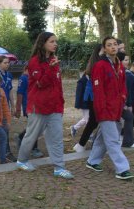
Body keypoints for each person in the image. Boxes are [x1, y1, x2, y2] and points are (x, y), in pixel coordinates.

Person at [16, 32, 74, 179]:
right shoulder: (35, 62)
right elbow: (41, 83)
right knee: (31, 135)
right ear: (43, 43)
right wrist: (51, 68)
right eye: (52, 41)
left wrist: (61, 104)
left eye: (56, 41)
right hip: (39, 106)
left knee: (56, 137)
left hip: (54, 106)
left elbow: (57, 84)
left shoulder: (53, 60)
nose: (55, 44)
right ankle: (21, 160)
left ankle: (59, 167)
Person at [86, 36, 134, 180]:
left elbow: (123, 86)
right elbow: (98, 90)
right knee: (113, 139)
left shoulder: (119, 65)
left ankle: (92, 161)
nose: (113, 47)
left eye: (115, 44)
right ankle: (122, 168)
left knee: (103, 137)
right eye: (109, 45)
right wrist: (101, 109)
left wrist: (123, 98)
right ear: (104, 48)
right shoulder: (100, 66)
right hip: (105, 109)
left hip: (116, 108)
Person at [73, 44, 102, 152]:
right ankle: (83, 144)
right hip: (94, 98)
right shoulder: (96, 64)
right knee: (93, 122)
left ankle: (81, 145)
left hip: (96, 98)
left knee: (93, 122)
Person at [14, 66, 44, 158]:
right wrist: (18, 108)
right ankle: (33, 148)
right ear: (26, 69)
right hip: (29, 106)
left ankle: (21, 137)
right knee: (35, 127)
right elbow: (19, 94)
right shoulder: (23, 79)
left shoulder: (34, 78)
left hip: (37, 106)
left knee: (34, 127)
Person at [0, 56, 17, 162]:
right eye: (5, 63)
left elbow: (10, 90)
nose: (7, 64)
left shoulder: (9, 75)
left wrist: (13, 105)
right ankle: (6, 152)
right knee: (1, 127)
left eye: (8, 63)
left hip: (5, 105)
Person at [117, 52, 134, 148]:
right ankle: (128, 141)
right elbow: (125, 89)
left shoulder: (124, 71)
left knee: (128, 117)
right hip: (115, 102)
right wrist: (127, 104)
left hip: (119, 102)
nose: (127, 62)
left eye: (128, 60)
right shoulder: (122, 72)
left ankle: (127, 141)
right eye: (125, 60)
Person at [70, 73, 90, 138]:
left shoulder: (90, 80)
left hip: (89, 103)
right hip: (84, 104)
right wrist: (78, 104)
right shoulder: (82, 81)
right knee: (88, 120)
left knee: (86, 119)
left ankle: (74, 128)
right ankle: (89, 135)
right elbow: (78, 93)